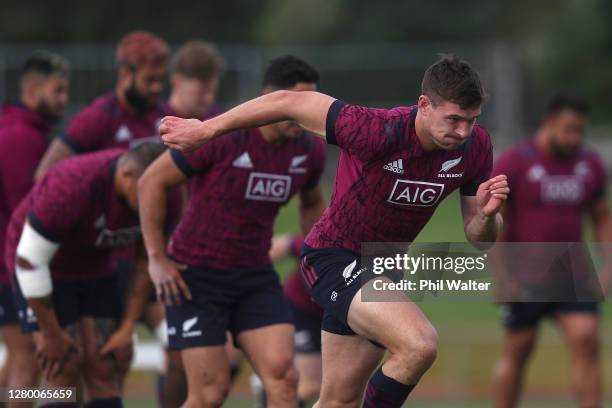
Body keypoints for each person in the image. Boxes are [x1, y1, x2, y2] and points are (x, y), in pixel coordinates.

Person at [158, 54, 509, 408]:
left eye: (471, 120)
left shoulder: (476, 147)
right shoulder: (376, 130)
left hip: (383, 267)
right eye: (453, 119)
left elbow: (478, 237)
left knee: (338, 401)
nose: (463, 131)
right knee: (419, 345)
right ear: (424, 105)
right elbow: (289, 101)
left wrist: (487, 217)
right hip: (333, 256)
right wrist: (207, 130)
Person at [138, 55, 327, 407]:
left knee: (285, 380)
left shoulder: (309, 151)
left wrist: (318, 253)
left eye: (310, 104)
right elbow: (151, 182)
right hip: (195, 277)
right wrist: (156, 258)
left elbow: (312, 201)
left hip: (254, 277)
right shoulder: (223, 137)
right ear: (271, 99)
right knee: (210, 394)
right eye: (297, 103)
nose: (304, 113)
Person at [5, 143, 165, 408]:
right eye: (147, 191)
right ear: (126, 175)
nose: (155, 198)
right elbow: (30, 260)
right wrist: (51, 334)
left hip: (95, 265)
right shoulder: (74, 184)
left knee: (106, 366)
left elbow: (146, 260)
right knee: (62, 371)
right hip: (40, 265)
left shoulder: (165, 188)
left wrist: (127, 329)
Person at [492, 95, 611, 408]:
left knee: (587, 340)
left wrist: (609, 266)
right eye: (568, 129)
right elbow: (494, 223)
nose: (575, 138)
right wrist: (501, 276)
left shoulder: (590, 164)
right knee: (518, 349)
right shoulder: (516, 161)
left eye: (580, 131)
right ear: (549, 123)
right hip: (525, 274)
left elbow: (601, 217)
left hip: (573, 273)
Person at [146, 39, 226, 408]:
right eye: (201, 89)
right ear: (177, 82)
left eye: (212, 89)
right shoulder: (153, 125)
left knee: (180, 354)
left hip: (185, 260)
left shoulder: (215, 125)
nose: (208, 98)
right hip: (138, 256)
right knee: (99, 359)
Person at [0, 50, 69, 408]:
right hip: (10, 268)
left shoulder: (20, 129)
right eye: (57, 91)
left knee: (17, 356)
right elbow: (25, 214)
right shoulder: (19, 138)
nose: (64, 99)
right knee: (27, 356)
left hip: (9, 266)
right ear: (32, 90)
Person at [34, 30, 170, 179]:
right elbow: (44, 175)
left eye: (160, 79)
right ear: (125, 74)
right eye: (149, 80)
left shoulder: (165, 115)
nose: (157, 87)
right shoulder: (97, 118)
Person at [252, 233, 323, 407]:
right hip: (302, 310)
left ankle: (271, 384)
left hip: (337, 314)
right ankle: (269, 389)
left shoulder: (382, 250)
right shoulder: (330, 238)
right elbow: (282, 246)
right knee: (310, 386)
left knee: (325, 385)